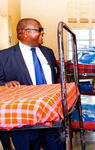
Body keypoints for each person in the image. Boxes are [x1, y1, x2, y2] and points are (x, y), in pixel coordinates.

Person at [0, 18, 63, 150]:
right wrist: (6, 84)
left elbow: (56, 78)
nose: (43, 33)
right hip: (23, 125)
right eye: (39, 30)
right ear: (25, 32)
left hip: (51, 119)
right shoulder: (4, 56)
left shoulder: (48, 52)